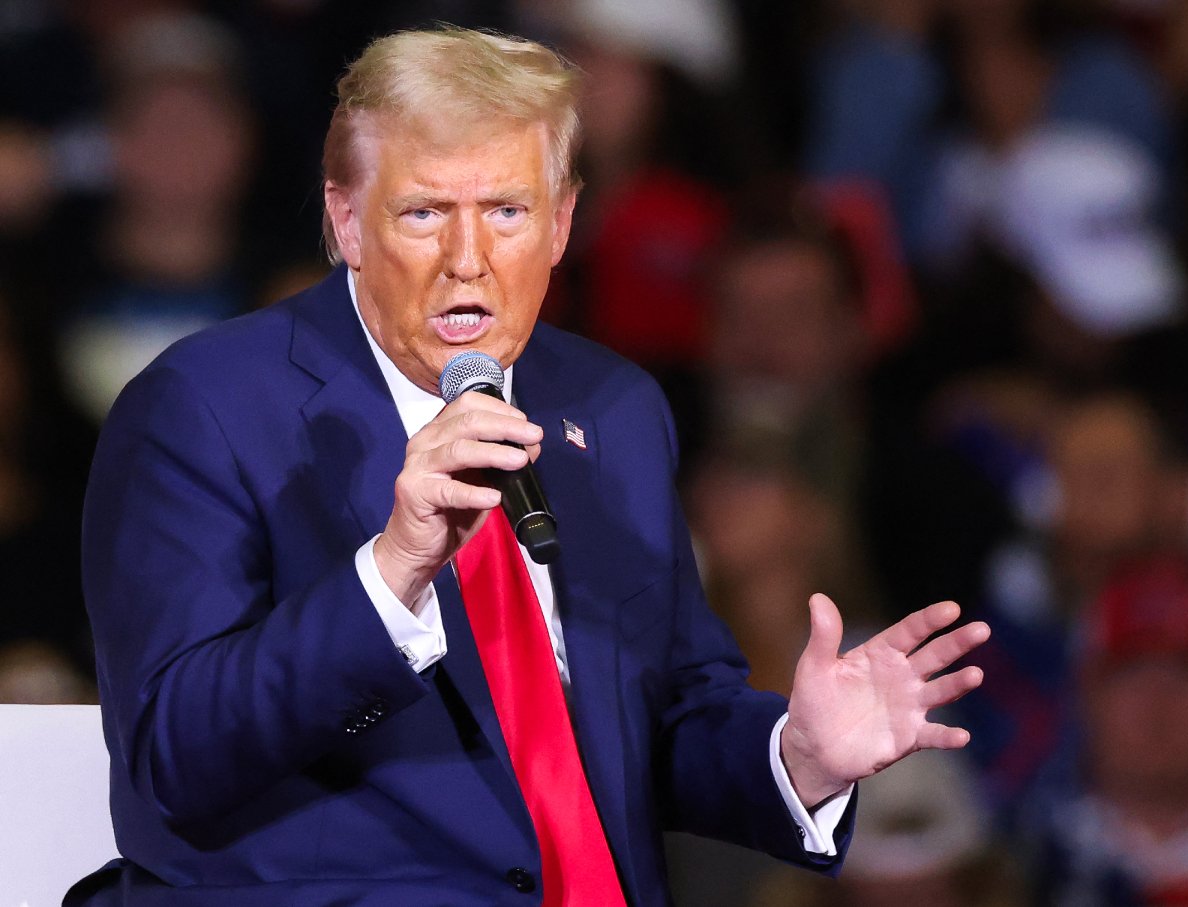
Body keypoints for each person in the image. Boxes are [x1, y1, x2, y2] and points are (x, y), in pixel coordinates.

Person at [68, 27, 990, 906]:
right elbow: (173, 757)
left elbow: (660, 720)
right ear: (346, 221)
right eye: (424, 211)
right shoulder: (203, 406)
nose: (466, 261)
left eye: (506, 211)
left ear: (561, 224)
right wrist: (390, 577)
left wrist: (800, 755)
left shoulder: (612, 406)